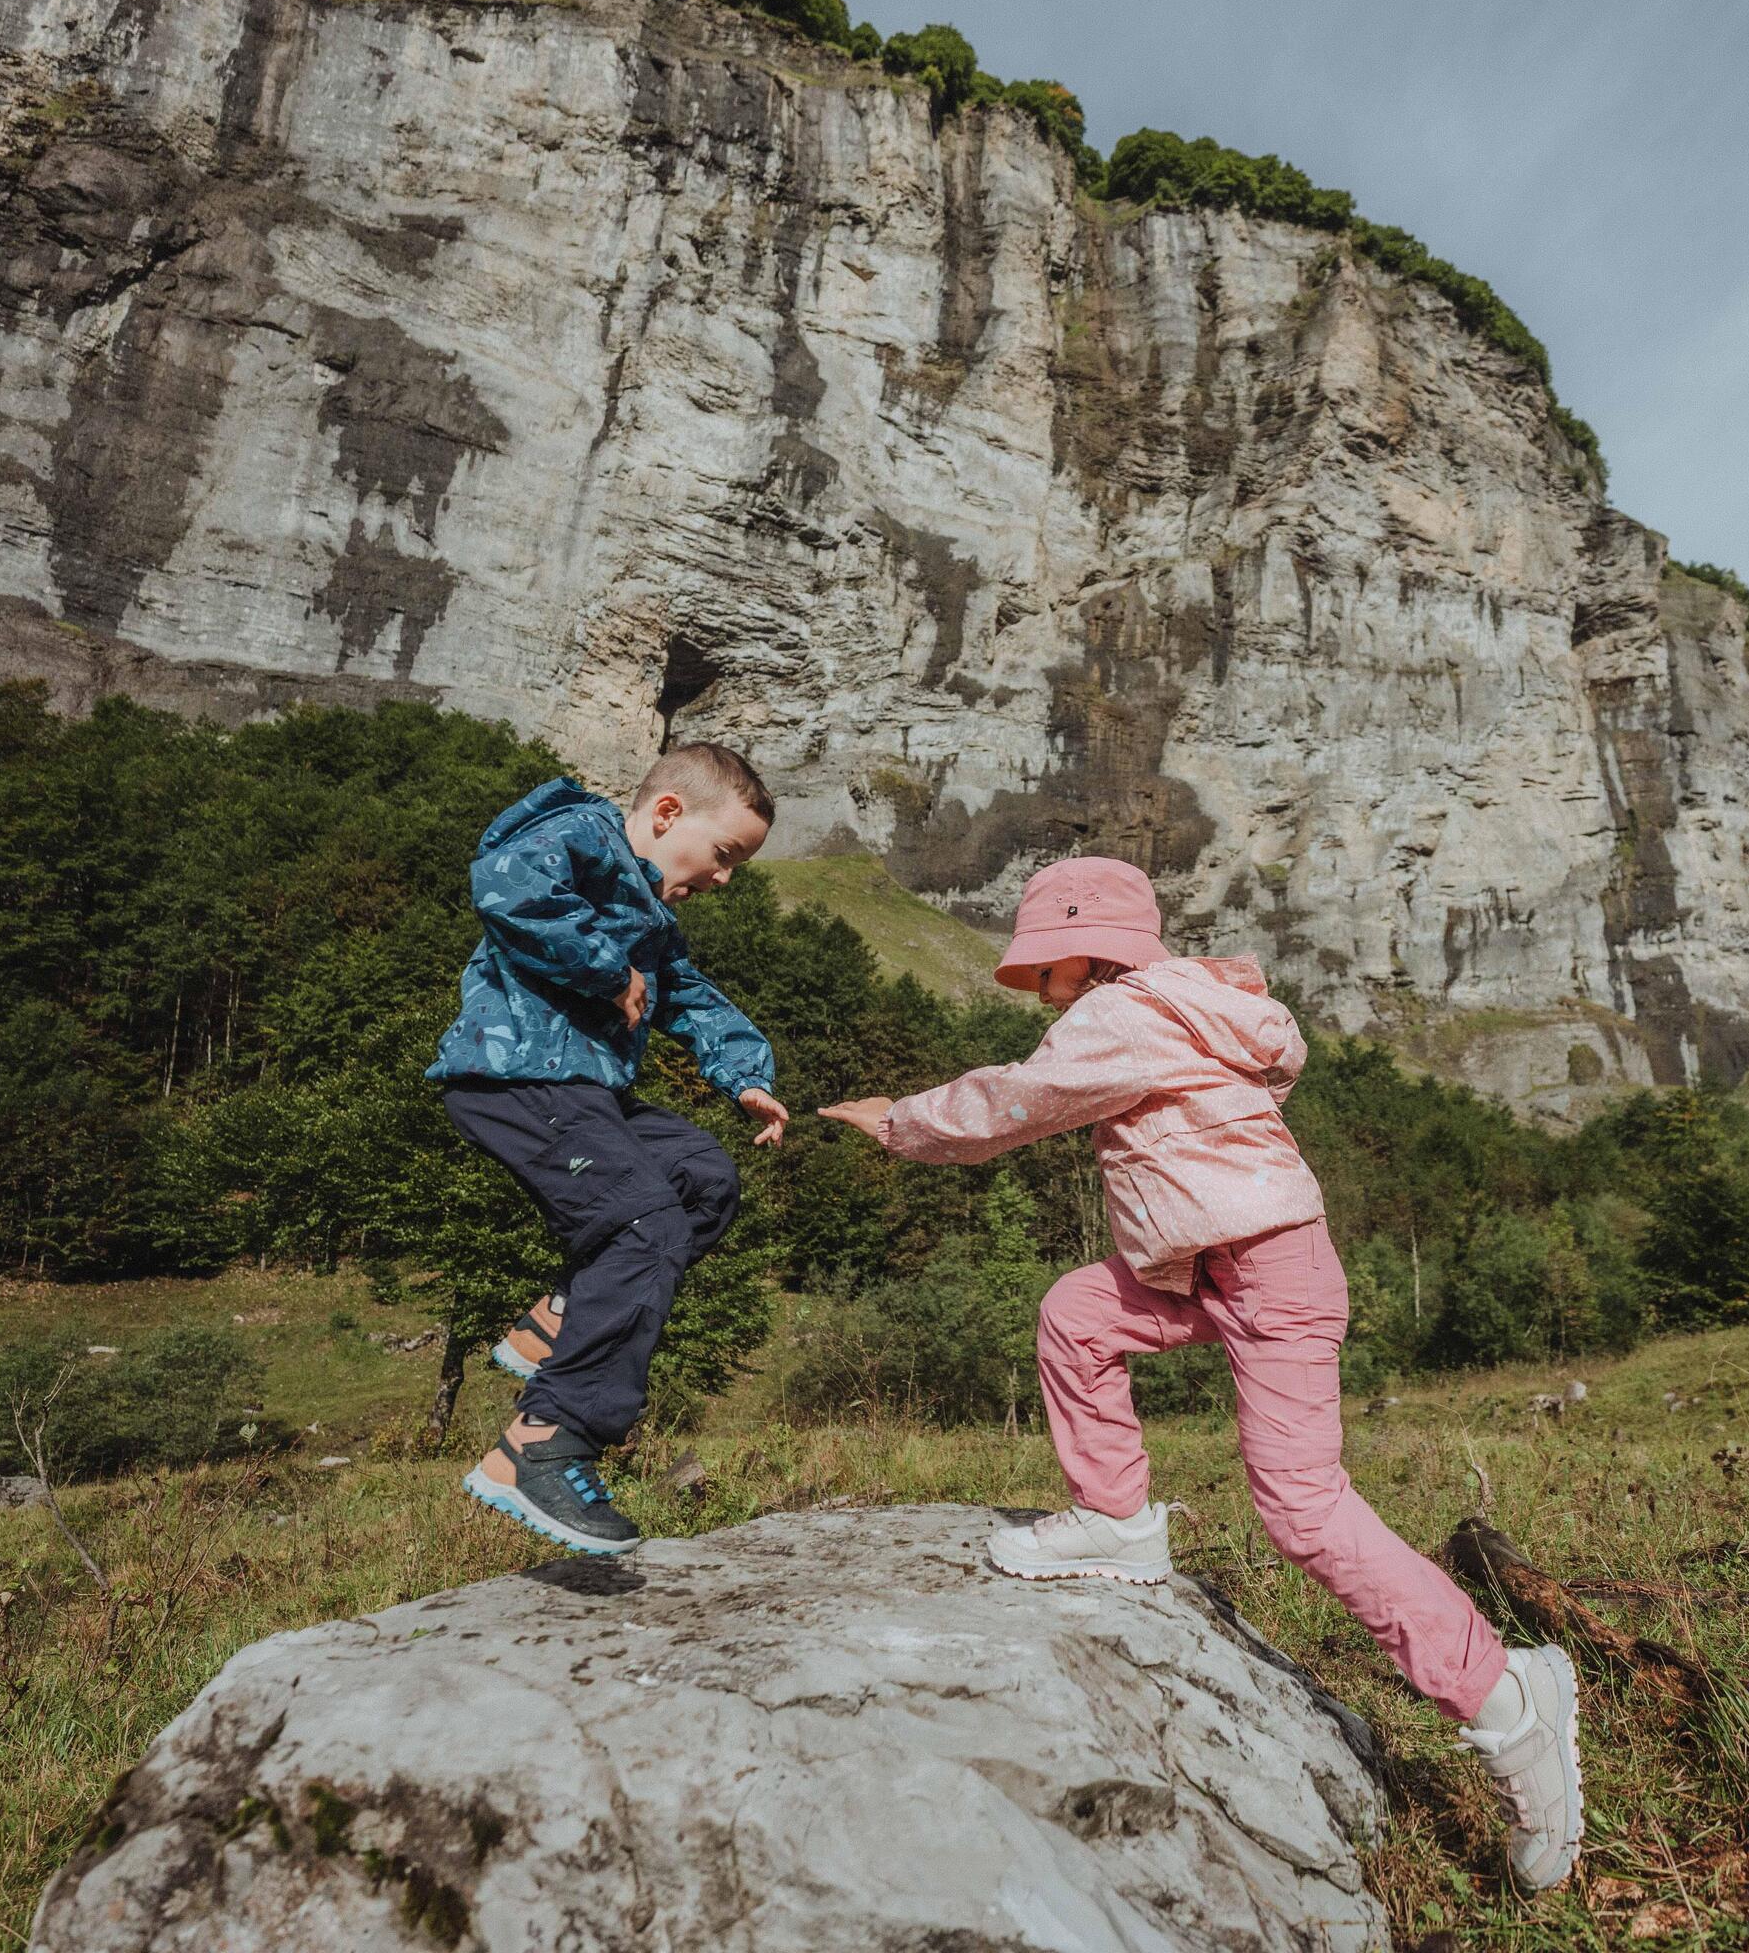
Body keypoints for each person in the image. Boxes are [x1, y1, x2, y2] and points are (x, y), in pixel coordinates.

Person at [817, 856, 1585, 1890]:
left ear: (1086, 947)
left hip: (1268, 1268)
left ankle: (1510, 1701)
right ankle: (1116, 1517)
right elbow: (1258, 1079)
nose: (1035, 982)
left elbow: (1019, 1098)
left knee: (1304, 1510)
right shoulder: (1198, 1007)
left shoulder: (1125, 1010)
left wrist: (899, 1119)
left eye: (1042, 960)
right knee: (1077, 1310)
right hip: (1218, 1264)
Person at [428, 744, 789, 1556]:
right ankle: (544, 1445)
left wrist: (745, 1076)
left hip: (587, 1092)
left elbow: (690, 998)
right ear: (666, 815)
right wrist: (604, 966)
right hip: (514, 1077)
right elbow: (506, 883)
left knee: (704, 1179)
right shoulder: (585, 834)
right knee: (644, 1229)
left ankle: (556, 1321)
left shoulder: (653, 919)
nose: (726, 878)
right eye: (725, 854)